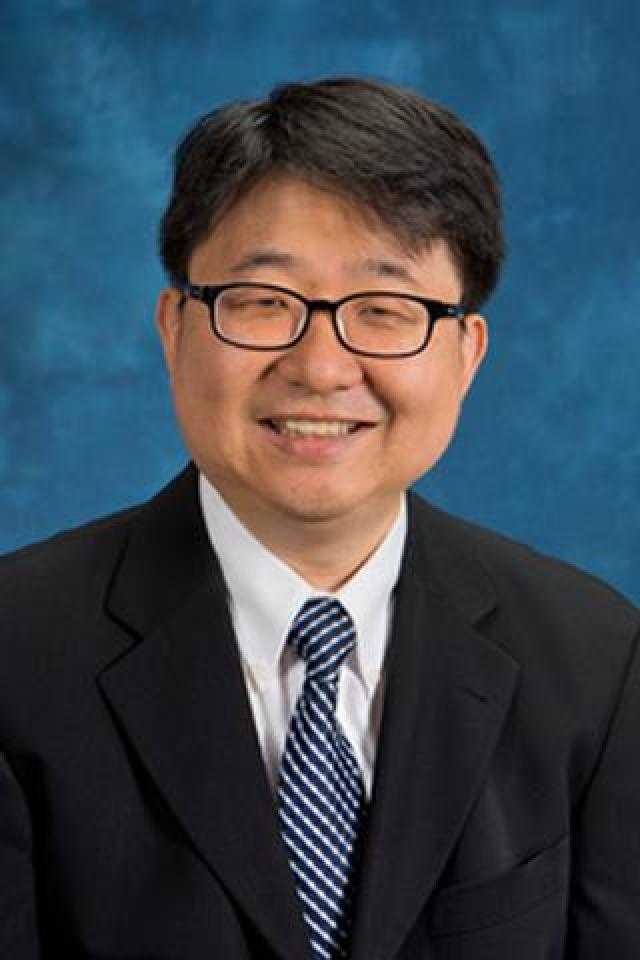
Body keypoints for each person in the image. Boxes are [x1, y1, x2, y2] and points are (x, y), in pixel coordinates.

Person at [1, 76, 638, 960]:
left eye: (387, 309)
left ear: (467, 354)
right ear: (174, 329)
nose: (321, 366)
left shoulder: (597, 659)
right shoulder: (15, 652)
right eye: (264, 302)